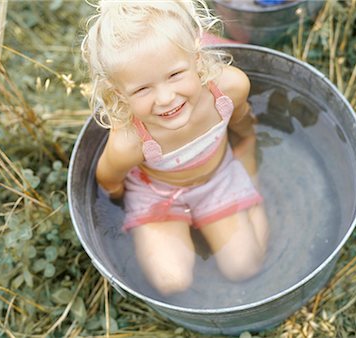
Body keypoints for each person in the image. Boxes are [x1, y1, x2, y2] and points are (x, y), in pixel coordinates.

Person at [81, 0, 269, 295]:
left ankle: (245, 202)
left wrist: (247, 153)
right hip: (156, 193)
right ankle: (179, 227)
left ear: (197, 57)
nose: (166, 98)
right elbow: (109, 179)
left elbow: (243, 121)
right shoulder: (130, 141)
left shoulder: (229, 88)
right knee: (172, 282)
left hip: (217, 178)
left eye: (175, 74)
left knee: (245, 266)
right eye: (142, 89)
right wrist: (126, 203)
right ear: (119, 93)